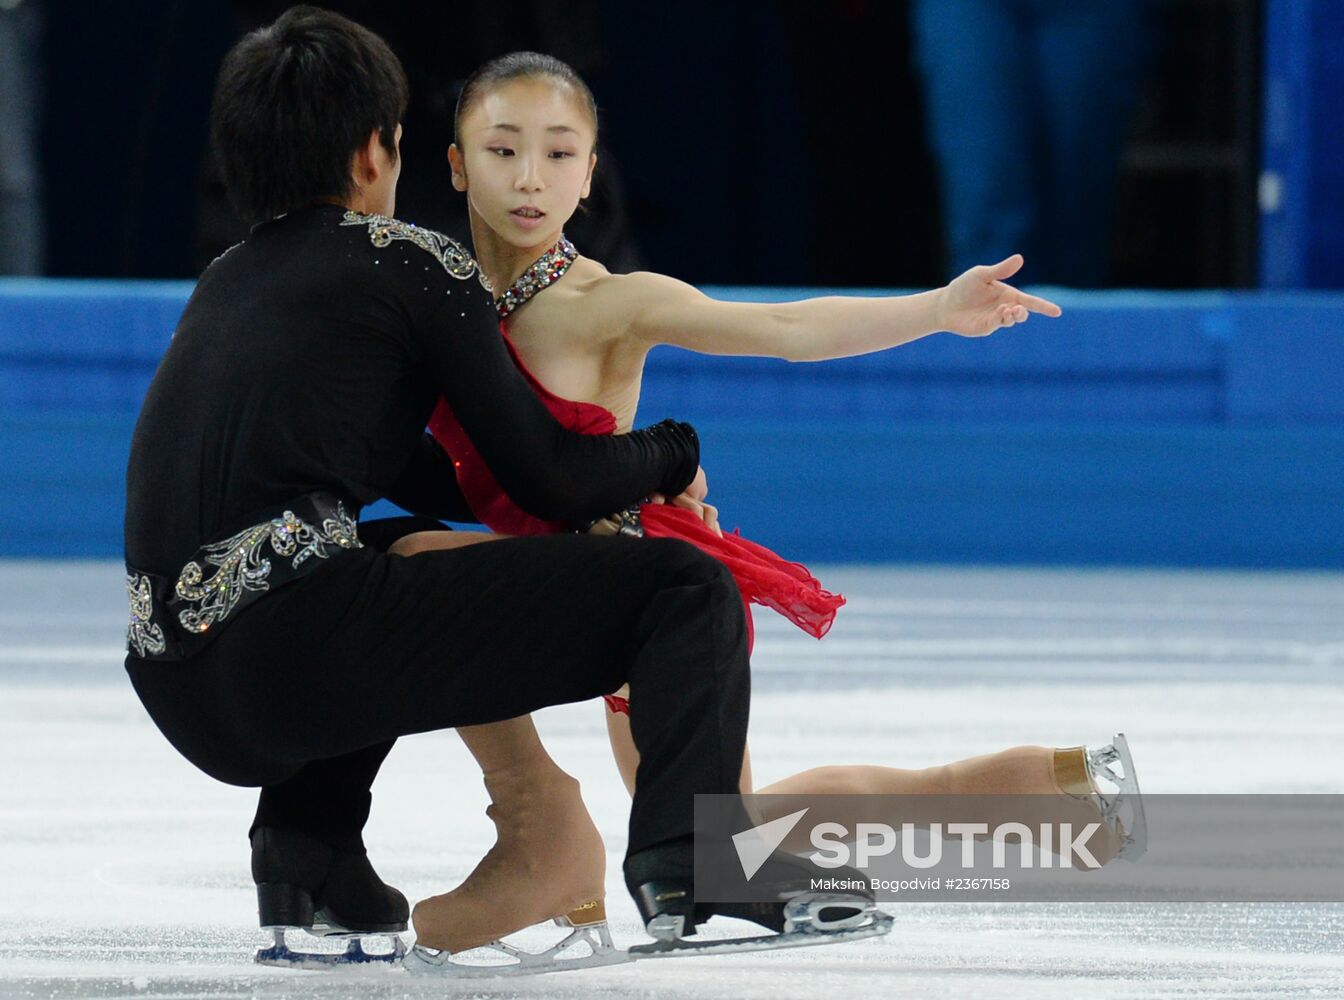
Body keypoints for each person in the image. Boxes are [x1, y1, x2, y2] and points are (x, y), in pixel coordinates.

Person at [122, 8, 876, 973]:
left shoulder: (225, 280)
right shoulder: (413, 263)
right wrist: (669, 454)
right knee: (688, 590)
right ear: (374, 153)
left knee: (384, 545)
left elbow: (428, 481)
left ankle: (308, 864)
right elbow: (546, 479)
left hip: (180, 686)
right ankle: (698, 865)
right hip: (293, 664)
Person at [386, 50, 1145, 953]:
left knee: (720, 838)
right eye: (503, 150)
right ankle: (544, 843)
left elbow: (784, 329)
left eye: (558, 154)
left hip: (643, 589)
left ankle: (1051, 789)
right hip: (566, 577)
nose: (529, 178)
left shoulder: (608, 303)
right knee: (417, 578)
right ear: (456, 163)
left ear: (591, 175)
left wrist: (937, 308)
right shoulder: (440, 297)